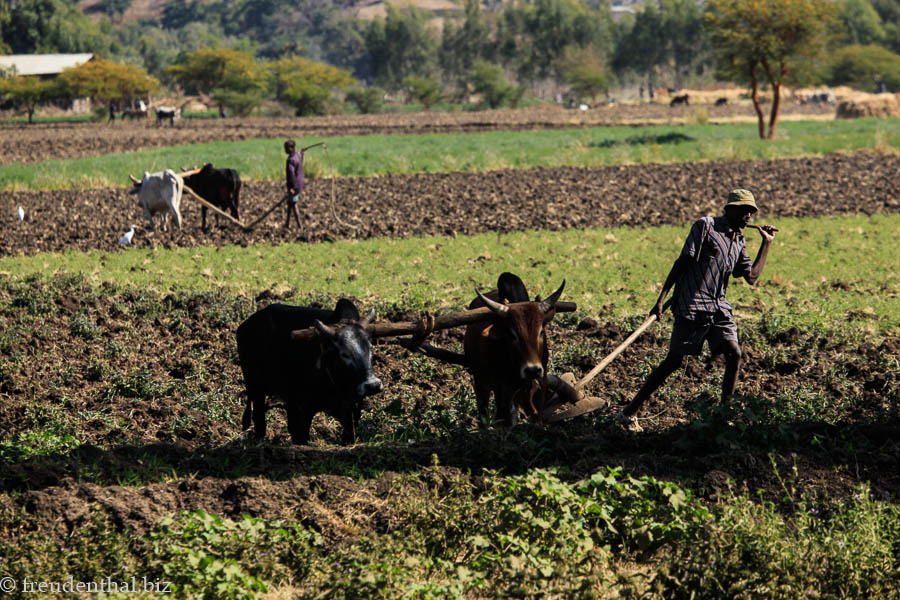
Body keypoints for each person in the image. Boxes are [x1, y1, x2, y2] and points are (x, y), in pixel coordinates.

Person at [617, 189, 776, 432]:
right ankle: (629, 412)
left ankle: (723, 416)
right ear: (729, 209)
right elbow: (682, 262)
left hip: (719, 307)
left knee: (734, 353)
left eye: (751, 212)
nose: (749, 216)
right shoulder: (706, 227)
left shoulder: (739, 240)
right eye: (744, 210)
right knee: (674, 361)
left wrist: (766, 243)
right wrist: (661, 299)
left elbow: (751, 277)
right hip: (692, 304)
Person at [284, 139, 305, 230]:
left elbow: (291, 175)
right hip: (299, 184)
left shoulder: (290, 160)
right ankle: (287, 224)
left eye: (286, 148)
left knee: (294, 204)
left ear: (291, 148)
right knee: (290, 203)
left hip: (294, 185)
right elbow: (301, 157)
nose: (285, 150)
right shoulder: (298, 155)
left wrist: (292, 188)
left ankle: (300, 226)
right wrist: (302, 151)